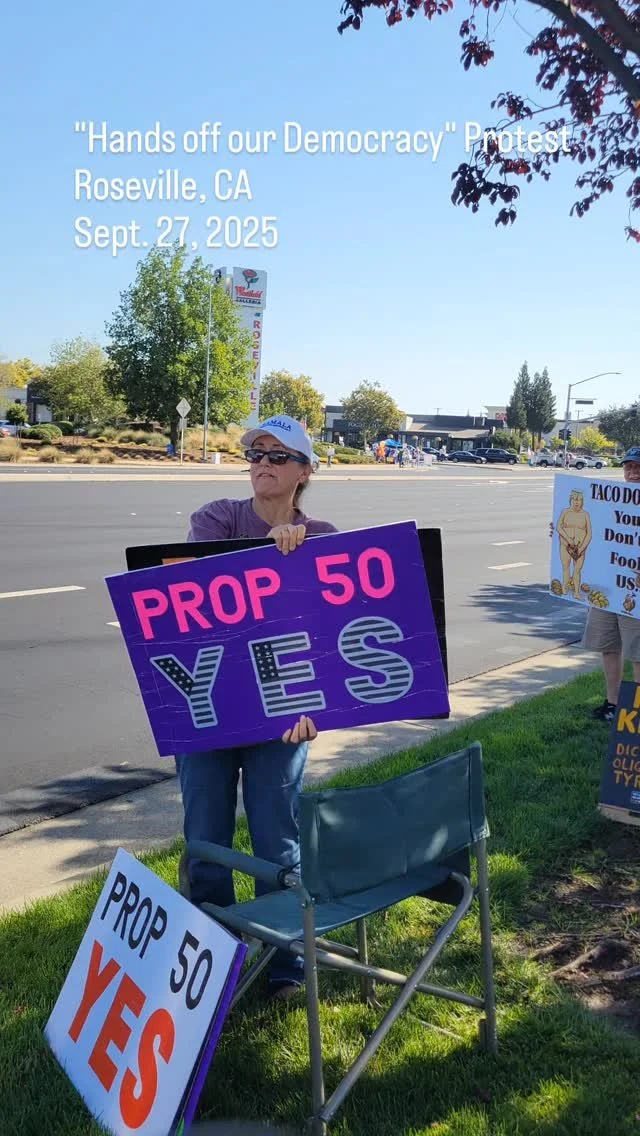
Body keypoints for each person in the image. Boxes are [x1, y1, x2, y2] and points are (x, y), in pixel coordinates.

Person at [178, 415, 337, 998]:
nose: (262, 463)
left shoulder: (323, 535)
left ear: (304, 471)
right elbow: (194, 586)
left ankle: (287, 959)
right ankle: (214, 962)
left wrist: (319, 708)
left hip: (282, 716)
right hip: (210, 705)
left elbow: (328, 638)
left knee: (278, 839)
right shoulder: (216, 517)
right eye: (255, 453)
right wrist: (262, 554)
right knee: (208, 840)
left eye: (277, 455)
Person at [581, 448, 640, 720]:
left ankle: (636, 711)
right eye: (628, 467)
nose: (633, 472)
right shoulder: (607, 503)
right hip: (606, 588)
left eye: (638, 467)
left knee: (637, 653)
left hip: (635, 592)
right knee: (608, 645)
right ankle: (614, 704)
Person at [556, 489, 592, 599]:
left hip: (580, 547)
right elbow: (559, 527)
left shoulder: (585, 514)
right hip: (566, 545)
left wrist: (582, 548)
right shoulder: (565, 512)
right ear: (570, 500)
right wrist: (568, 539)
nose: (577, 502)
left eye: (579, 500)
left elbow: (589, 533)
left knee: (577, 570)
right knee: (565, 567)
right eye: (574, 499)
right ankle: (564, 588)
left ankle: (576, 592)